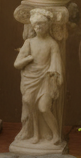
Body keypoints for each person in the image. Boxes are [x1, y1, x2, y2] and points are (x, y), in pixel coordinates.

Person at [14, 8, 63, 146]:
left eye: (42, 24)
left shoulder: (52, 44)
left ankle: (56, 134)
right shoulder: (29, 42)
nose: (39, 27)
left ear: (48, 25)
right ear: (33, 26)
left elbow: (56, 63)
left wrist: (56, 77)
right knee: (32, 108)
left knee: (43, 107)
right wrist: (27, 59)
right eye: (36, 24)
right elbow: (17, 64)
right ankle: (36, 134)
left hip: (45, 79)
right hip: (30, 79)